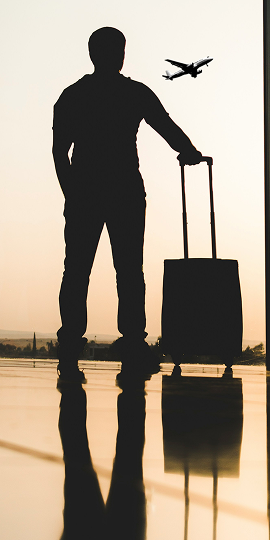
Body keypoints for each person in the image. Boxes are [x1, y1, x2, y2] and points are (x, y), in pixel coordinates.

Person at [53, 27, 203, 383]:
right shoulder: (134, 92)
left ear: (91, 55)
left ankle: (70, 344)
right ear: (121, 54)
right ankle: (133, 343)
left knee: (76, 271)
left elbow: (60, 151)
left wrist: (70, 193)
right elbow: (164, 125)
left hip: (85, 190)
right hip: (125, 190)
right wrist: (189, 151)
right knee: (130, 272)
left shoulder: (73, 95)